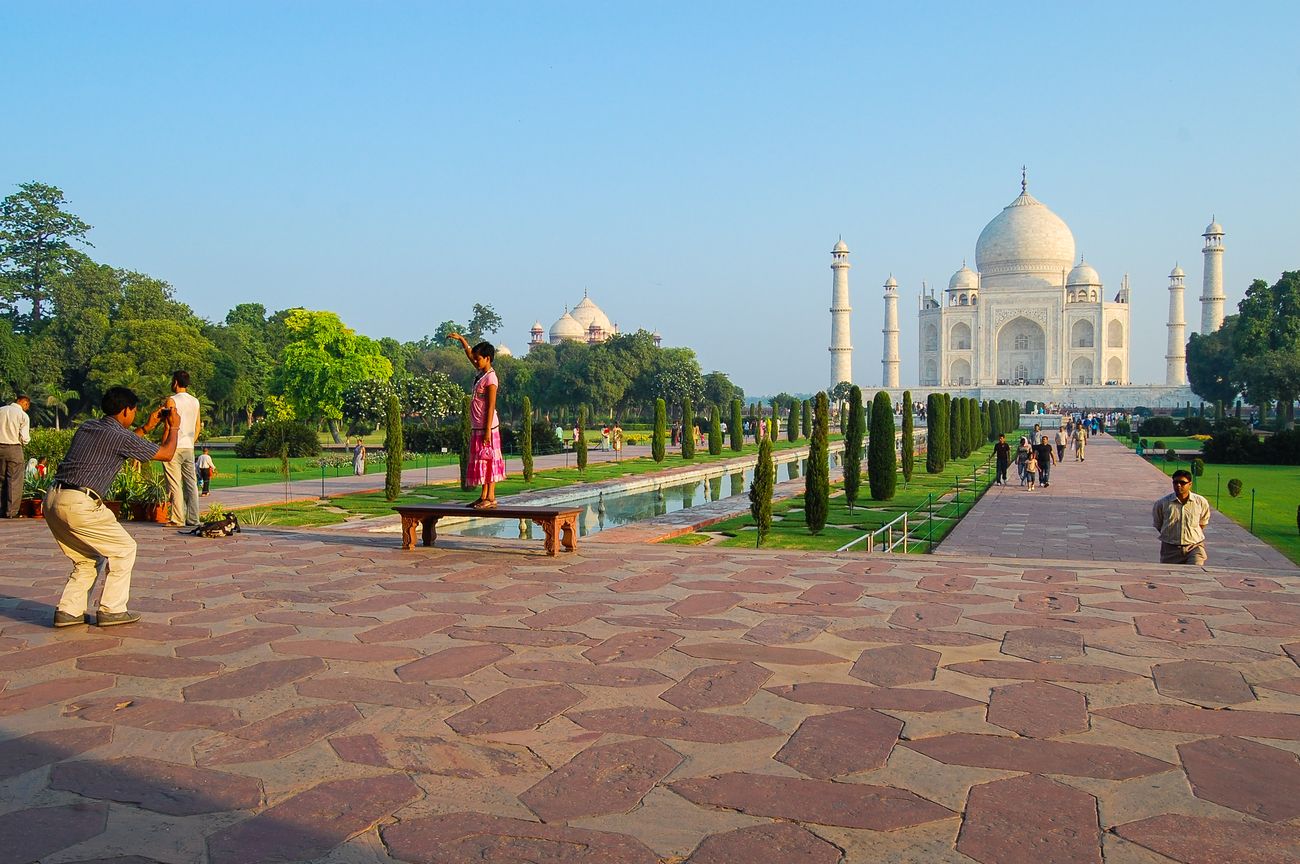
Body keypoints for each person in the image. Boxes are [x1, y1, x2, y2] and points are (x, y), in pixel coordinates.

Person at [45, 386, 180, 627]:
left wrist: (148, 427)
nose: (135, 415)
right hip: (80, 504)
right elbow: (167, 454)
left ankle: (69, 610)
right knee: (124, 549)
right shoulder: (120, 437)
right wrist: (175, 426)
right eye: (134, 411)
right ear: (127, 410)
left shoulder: (87, 426)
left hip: (54, 499)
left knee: (87, 558)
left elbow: (122, 444)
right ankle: (112, 609)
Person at [450, 333, 505, 508]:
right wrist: (462, 340)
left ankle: (490, 497)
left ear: (487, 358)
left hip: (487, 426)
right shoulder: (482, 373)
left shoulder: (491, 379)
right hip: (478, 426)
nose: (475, 361)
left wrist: (488, 430)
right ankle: (483, 496)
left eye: (479, 358)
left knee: (489, 461)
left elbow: (490, 406)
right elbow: (470, 356)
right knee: (482, 460)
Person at [146, 371, 200, 528]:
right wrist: (190, 441)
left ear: (175, 382)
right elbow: (197, 426)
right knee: (191, 483)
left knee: (175, 484)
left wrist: (164, 446)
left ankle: (177, 518)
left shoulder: (172, 401)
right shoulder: (195, 401)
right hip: (188, 447)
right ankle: (193, 518)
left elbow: (169, 425)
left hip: (173, 447)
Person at [1153, 469, 1211, 565]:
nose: (1178, 485)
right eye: (1175, 482)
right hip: (1170, 549)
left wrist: (1190, 534)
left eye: (1182, 482)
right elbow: (1159, 524)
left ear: (1190, 484)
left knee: (1195, 572)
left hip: (1194, 546)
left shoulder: (1200, 502)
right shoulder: (1162, 503)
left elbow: (1202, 523)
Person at [0, 394, 31, 518]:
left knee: (0, 480)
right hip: (14, 448)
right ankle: (11, 512)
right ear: (24, 403)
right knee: (14, 481)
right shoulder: (23, 415)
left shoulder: (1, 410)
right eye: (27, 406)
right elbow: (25, 438)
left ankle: (1, 509)